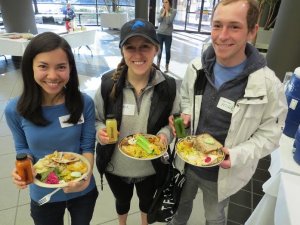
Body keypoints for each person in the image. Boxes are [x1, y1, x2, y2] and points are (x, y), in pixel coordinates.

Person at [168, 0, 288, 225]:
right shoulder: (196, 68)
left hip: (222, 174)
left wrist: (237, 155)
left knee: (215, 217)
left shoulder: (268, 86)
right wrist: (184, 117)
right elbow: (186, 99)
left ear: (252, 31)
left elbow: (271, 135)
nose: (222, 36)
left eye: (234, 26)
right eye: (217, 25)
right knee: (179, 210)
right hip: (187, 164)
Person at [5, 32, 98, 225]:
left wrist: (86, 178)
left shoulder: (84, 103)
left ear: (70, 68)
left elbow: (88, 147)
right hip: (43, 192)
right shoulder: (15, 109)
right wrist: (23, 167)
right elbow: (23, 150)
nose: (53, 76)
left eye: (61, 67)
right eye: (43, 66)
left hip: (82, 187)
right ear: (30, 67)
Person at [94, 18, 180, 225]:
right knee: (122, 201)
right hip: (116, 165)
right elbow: (96, 119)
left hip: (151, 167)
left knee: (146, 203)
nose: (138, 54)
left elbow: (174, 120)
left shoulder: (168, 87)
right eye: (130, 47)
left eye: (145, 47)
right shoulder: (108, 85)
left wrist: (164, 135)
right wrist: (100, 132)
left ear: (156, 49)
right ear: (122, 51)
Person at [156, 0, 177, 73]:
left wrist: (167, 11)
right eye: (163, 2)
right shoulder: (162, 9)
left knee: (167, 51)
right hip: (160, 33)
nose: (164, 4)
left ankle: (167, 65)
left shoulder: (174, 11)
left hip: (168, 35)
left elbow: (169, 22)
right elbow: (158, 20)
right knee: (159, 50)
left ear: (170, 3)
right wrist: (164, 12)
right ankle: (158, 65)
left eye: (166, 2)